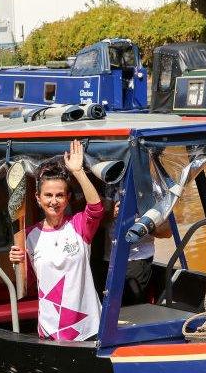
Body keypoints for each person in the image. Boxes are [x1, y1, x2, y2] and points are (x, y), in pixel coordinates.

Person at [9, 140, 104, 341]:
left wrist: (78, 172)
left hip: (88, 327)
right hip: (51, 330)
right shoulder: (27, 236)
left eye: (60, 195)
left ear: (68, 198)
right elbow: (29, 284)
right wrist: (17, 261)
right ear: (37, 198)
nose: (54, 201)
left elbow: (96, 208)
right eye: (48, 195)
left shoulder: (79, 225)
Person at [107, 198, 171, 305]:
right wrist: (111, 213)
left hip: (136, 260)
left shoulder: (153, 189)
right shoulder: (105, 184)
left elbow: (168, 231)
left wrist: (142, 225)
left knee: (132, 309)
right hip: (105, 258)